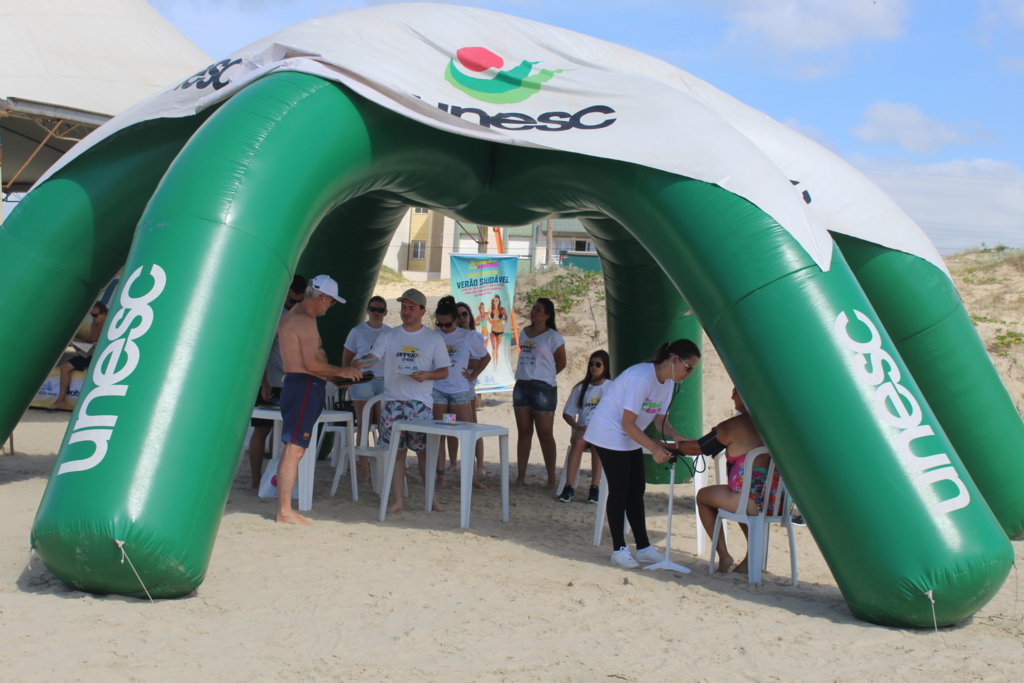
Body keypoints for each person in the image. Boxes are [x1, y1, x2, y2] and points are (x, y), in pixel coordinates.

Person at [582, 339, 700, 568]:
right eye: (689, 368)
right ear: (675, 360)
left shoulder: (667, 383)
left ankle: (643, 547)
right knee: (620, 489)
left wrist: (677, 437)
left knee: (637, 489)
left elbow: (659, 420)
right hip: (608, 432)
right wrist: (654, 447)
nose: (689, 374)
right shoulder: (641, 378)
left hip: (628, 434)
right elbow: (627, 422)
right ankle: (618, 549)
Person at [275, 275, 364, 525]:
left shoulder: (297, 315)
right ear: (323, 298)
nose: (329, 308)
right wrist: (342, 371)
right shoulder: (303, 320)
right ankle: (284, 510)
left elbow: (314, 360)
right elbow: (311, 363)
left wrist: (336, 376)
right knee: (295, 448)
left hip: (302, 384)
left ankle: (285, 509)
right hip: (303, 386)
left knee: (294, 448)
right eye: (332, 303)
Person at [357, 288, 449, 513]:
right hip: (393, 402)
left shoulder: (433, 338)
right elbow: (373, 357)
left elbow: (444, 371)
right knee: (397, 454)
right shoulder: (389, 335)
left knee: (424, 454)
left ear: (422, 311)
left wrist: (426, 375)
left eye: (411, 308)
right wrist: (356, 363)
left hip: (421, 405)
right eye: (403, 307)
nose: (406, 312)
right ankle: (398, 500)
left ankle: (432, 499)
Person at [679, 387, 781, 574]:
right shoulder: (777, 422)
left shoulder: (734, 425)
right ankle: (751, 558)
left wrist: (668, 446)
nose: (731, 396)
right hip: (777, 502)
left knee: (703, 496)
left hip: (750, 502)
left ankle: (724, 555)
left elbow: (699, 448)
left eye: (735, 391)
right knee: (740, 496)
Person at [248, 274, 307, 491]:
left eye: (299, 301)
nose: (294, 304)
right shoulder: (271, 315)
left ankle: (274, 483)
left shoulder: (297, 316)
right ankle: (255, 481)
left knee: (287, 435)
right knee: (262, 430)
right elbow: (260, 353)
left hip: (290, 382)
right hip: (271, 383)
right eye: (291, 300)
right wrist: (264, 383)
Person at [432, 296, 490, 489]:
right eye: (440, 324)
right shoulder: (434, 335)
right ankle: (441, 475)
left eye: (448, 324)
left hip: (459, 392)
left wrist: (473, 376)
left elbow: (485, 357)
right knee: (441, 432)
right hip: (439, 391)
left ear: (456, 320)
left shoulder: (469, 336)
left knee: (465, 432)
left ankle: (472, 477)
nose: (444, 328)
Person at [512, 298, 566, 489]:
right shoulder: (525, 332)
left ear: (547, 315)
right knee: (524, 432)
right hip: (522, 385)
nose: (533, 312)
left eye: (538, 309)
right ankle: (521, 476)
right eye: (533, 308)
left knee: (545, 433)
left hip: (543, 387)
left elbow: (561, 363)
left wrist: (545, 376)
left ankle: (551, 478)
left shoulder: (553, 337)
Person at [342, 295, 391, 482]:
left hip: (384, 380)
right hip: (362, 380)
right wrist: (346, 376)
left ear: (386, 313)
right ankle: (364, 470)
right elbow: (346, 357)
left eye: (380, 310)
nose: (376, 313)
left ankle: (381, 468)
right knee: (363, 424)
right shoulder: (357, 331)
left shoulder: (390, 332)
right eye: (373, 309)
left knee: (382, 424)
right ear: (368, 310)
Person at [557, 349, 611, 504]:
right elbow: (567, 413)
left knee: (597, 443)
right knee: (579, 442)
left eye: (598, 364)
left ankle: (594, 487)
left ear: (605, 367)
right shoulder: (580, 388)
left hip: (601, 431)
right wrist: (577, 426)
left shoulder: (611, 387)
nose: (594, 367)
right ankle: (569, 487)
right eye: (591, 364)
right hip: (582, 429)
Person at [50, 301, 108, 409]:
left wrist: (100, 343)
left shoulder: (110, 325)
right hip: (90, 354)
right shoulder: (94, 324)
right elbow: (90, 341)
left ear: (104, 314)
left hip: (101, 356)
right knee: (65, 366)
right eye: (91, 315)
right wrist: (77, 341)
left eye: (95, 315)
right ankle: (61, 399)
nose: (93, 318)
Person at [457, 300, 488, 477]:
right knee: (450, 423)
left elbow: (479, 360)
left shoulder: (474, 337)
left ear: (470, 316)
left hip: (467, 383)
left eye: (464, 314)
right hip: (452, 384)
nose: (461, 318)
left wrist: (471, 373)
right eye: (458, 315)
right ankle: (453, 462)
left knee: (472, 424)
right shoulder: (450, 335)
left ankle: (480, 464)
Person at [488, 294, 506, 364]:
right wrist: (489, 319)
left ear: (499, 301)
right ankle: (493, 364)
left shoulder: (502, 309)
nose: (495, 302)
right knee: (494, 349)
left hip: (500, 331)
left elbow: (506, 318)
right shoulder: (490, 310)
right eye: (494, 301)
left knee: (497, 349)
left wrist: (500, 318)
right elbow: (490, 321)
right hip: (493, 330)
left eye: (496, 301)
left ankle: (496, 365)